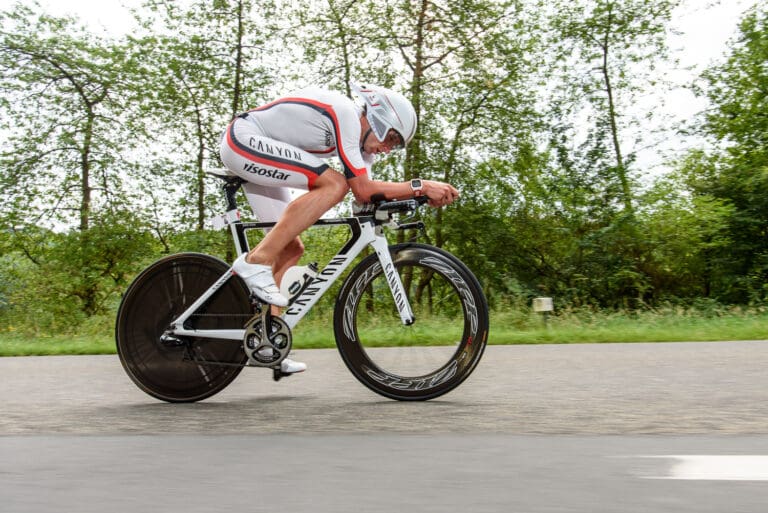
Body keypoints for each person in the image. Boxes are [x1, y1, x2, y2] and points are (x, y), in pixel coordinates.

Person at [219, 81, 459, 374]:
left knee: (290, 247)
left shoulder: (363, 150)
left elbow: (366, 202)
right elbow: (362, 189)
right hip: (243, 140)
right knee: (334, 183)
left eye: (395, 146)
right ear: (378, 119)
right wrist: (420, 186)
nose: (388, 148)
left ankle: (268, 340)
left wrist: (410, 199)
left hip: (260, 151)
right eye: (392, 138)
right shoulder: (345, 114)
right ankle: (255, 261)